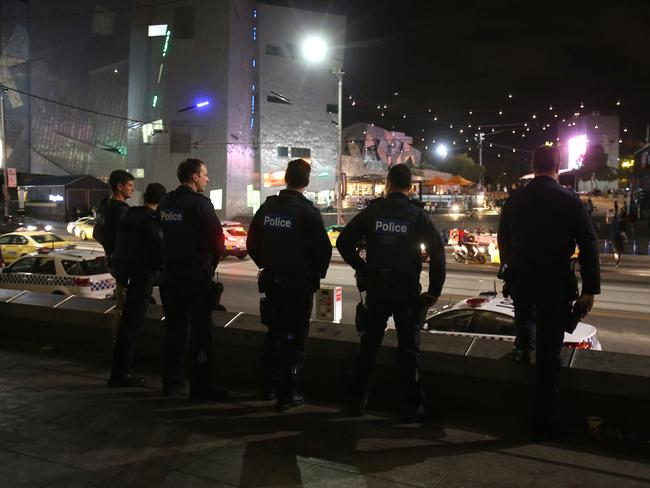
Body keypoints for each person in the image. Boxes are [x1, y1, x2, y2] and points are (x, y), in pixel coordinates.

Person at [497, 145, 600, 440]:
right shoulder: (569, 200)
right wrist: (590, 288)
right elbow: (589, 244)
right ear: (557, 166)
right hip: (555, 284)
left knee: (526, 340)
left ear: (533, 164)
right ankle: (544, 422)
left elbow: (503, 240)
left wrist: (511, 267)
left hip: (522, 284)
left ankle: (522, 346)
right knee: (550, 355)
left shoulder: (515, 200)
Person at [336, 164, 446, 423]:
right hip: (406, 292)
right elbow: (438, 254)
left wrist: (363, 268)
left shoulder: (373, 211)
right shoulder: (417, 215)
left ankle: (357, 400)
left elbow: (343, 242)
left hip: (377, 289)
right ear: (410, 187)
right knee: (408, 349)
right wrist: (434, 291)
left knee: (369, 346)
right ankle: (411, 406)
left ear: (387, 184)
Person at [247, 159, 332, 411]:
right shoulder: (307, 211)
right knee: (295, 338)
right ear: (306, 181)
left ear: (286, 177)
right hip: (298, 284)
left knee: (273, 334)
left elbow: (252, 242)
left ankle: (268, 387)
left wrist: (266, 263)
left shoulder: (269, 207)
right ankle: (289, 392)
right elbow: (323, 250)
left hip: (273, 281)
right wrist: (314, 272)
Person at [157, 159, 227, 402]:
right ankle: (201, 386)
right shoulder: (200, 204)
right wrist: (210, 266)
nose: (208, 179)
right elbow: (218, 242)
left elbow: (160, 238)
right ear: (195, 176)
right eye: (205, 175)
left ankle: (171, 382)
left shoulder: (165, 203)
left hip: (170, 277)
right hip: (195, 277)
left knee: (175, 331)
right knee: (202, 334)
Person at [107, 183, 167, 388]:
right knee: (131, 326)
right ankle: (120, 374)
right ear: (161, 202)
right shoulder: (151, 220)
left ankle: (119, 370)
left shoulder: (128, 215)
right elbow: (159, 250)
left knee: (126, 324)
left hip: (126, 275)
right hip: (142, 277)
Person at [94, 170, 135, 336]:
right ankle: (121, 345)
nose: (132, 189)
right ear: (119, 187)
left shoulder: (103, 205)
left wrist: (109, 248)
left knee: (120, 304)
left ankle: (120, 344)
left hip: (111, 259)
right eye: (130, 185)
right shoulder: (122, 211)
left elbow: (96, 233)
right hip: (122, 263)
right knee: (125, 306)